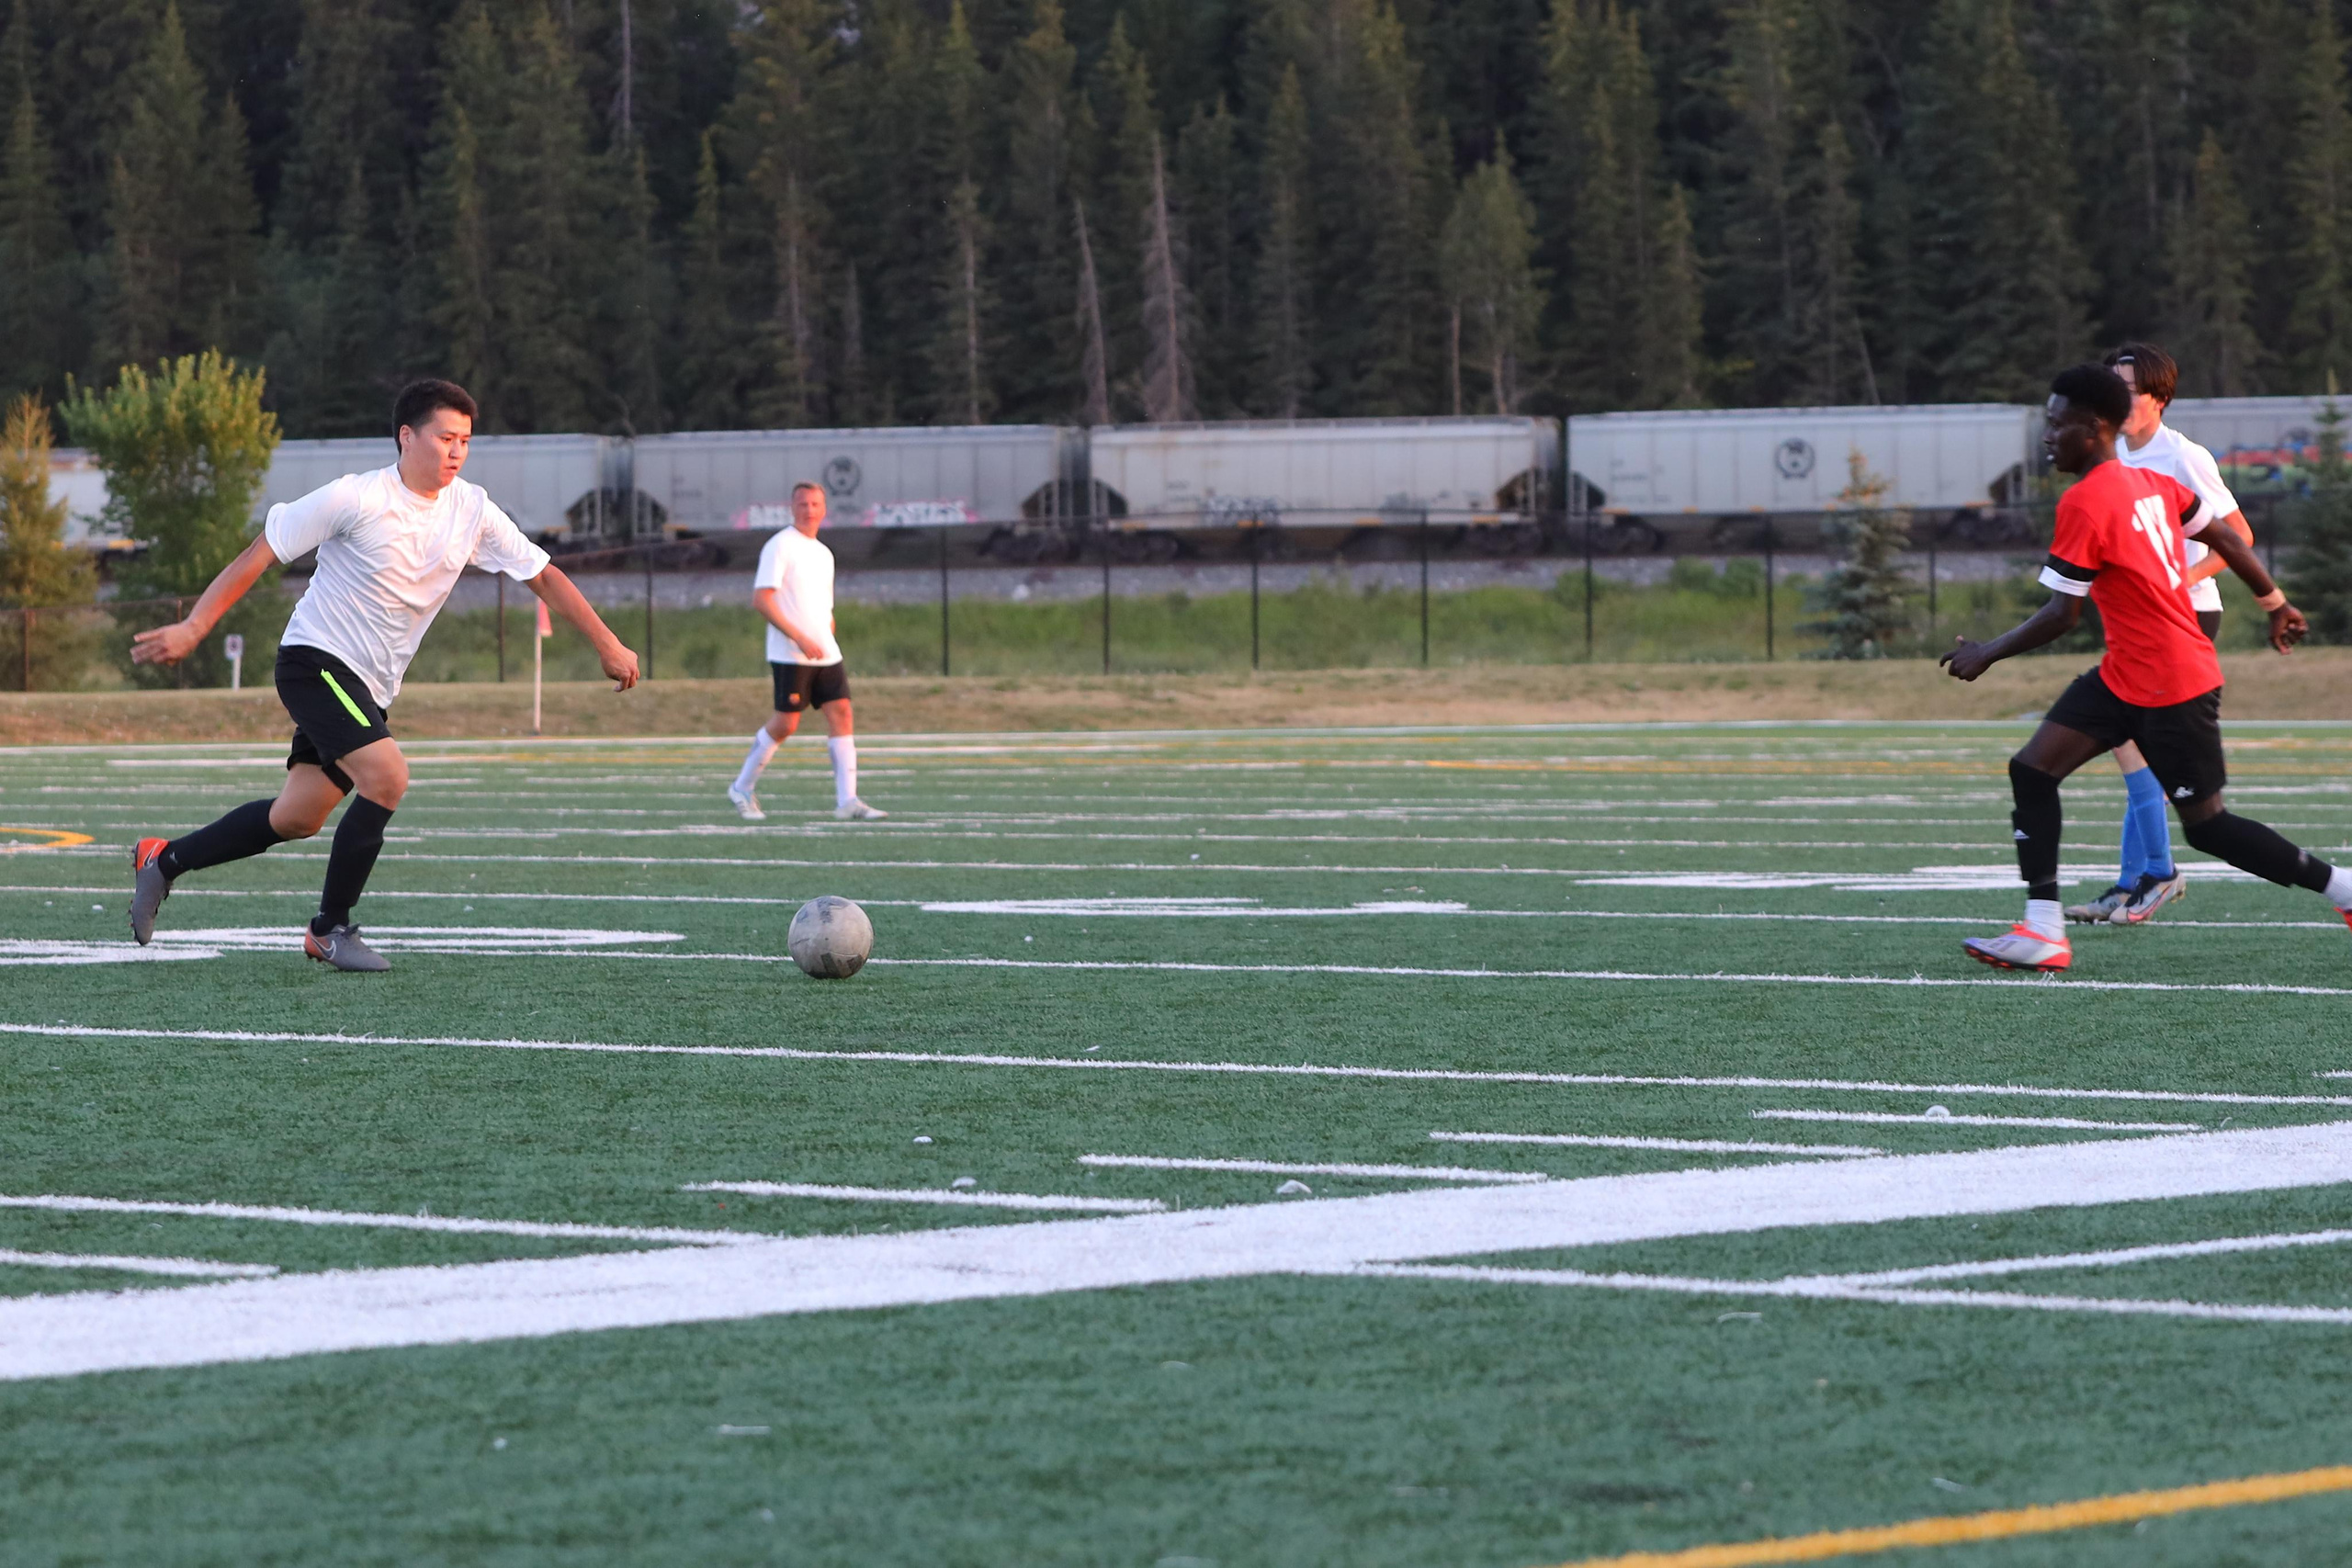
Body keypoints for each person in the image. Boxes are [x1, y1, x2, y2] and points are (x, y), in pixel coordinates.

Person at [126, 379, 640, 971]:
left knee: (297, 817)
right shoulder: (357, 497)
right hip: (314, 662)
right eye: (445, 437)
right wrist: (194, 626)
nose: (456, 452)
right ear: (406, 436)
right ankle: (330, 929)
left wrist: (607, 642)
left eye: (466, 441)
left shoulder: (472, 509)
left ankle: (162, 861)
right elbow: (262, 551)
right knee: (387, 777)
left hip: (366, 687)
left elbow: (542, 574)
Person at [1940, 363, 2352, 973]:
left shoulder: (2085, 499)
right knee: (2031, 770)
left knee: (2208, 828)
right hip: (2127, 673)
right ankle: (2043, 929)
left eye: (2058, 425)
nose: (2047, 436)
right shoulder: (2151, 483)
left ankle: (2343, 888)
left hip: (2170, 680)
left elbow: (2062, 614)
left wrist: (1986, 652)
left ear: (2095, 428)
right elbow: (2230, 541)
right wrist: (2276, 602)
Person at [2061, 342, 2257, 928]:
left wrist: (2182, 579)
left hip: (2188, 614)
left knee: (2131, 749)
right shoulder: (2113, 453)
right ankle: (2137, 880)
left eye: (2129, 389)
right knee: (2133, 751)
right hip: (2142, 620)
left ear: (2159, 398)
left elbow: (2238, 534)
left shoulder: (2184, 456)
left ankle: (2154, 876)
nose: (2118, 399)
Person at [727, 480, 883, 822]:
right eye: (802, 504)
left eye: (815, 504)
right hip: (790, 653)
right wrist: (797, 636)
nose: (809, 510)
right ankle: (741, 787)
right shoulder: (780, 546)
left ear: (824, 509)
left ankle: (848, 802)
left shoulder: (823, 553)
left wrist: (826, 628)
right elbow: (762, 599)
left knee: (841, 712)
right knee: (786, 724)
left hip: (826, 653)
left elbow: (823, 605)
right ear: (792, 508)